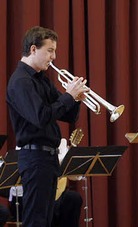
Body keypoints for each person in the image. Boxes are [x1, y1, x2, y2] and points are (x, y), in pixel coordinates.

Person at [6, 26, 88, 227]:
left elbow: (67, 115)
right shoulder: (21, 82)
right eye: (50, 50)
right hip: (34, 158)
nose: (54, 56)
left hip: (48, 158)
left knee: (47, 220)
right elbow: (41, 117)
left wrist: (76, 99)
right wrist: (68, 96)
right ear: (33, 49)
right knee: (36, 221)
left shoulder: (41, 80)